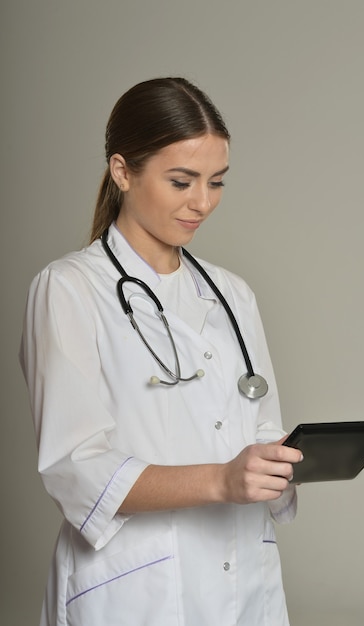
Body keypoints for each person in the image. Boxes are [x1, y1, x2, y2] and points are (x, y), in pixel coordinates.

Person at [20, 77, 303, 626]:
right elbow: (75, 468)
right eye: (181, 181)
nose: (202, 202)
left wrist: (285, 462)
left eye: (216, 182)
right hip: (136, 588)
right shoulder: (69, 289)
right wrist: (222, 480)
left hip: (244, 577)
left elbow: (262, 430)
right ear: (123, 171)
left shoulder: (232, 294)